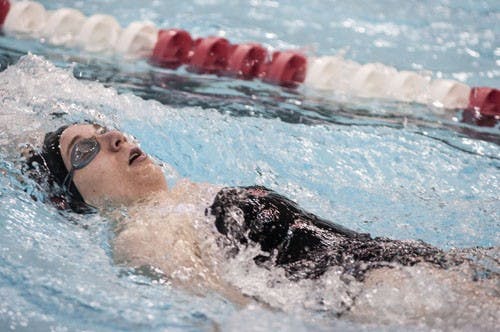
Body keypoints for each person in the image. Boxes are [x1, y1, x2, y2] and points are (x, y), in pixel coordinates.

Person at [24, 123, 499, 319]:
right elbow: (233, 310)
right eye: (83, 151)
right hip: (380, 294)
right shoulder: (143, 238)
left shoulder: (186, 195)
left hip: (407, 263)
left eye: (104, 126)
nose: (112, 137)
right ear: (76, 198)